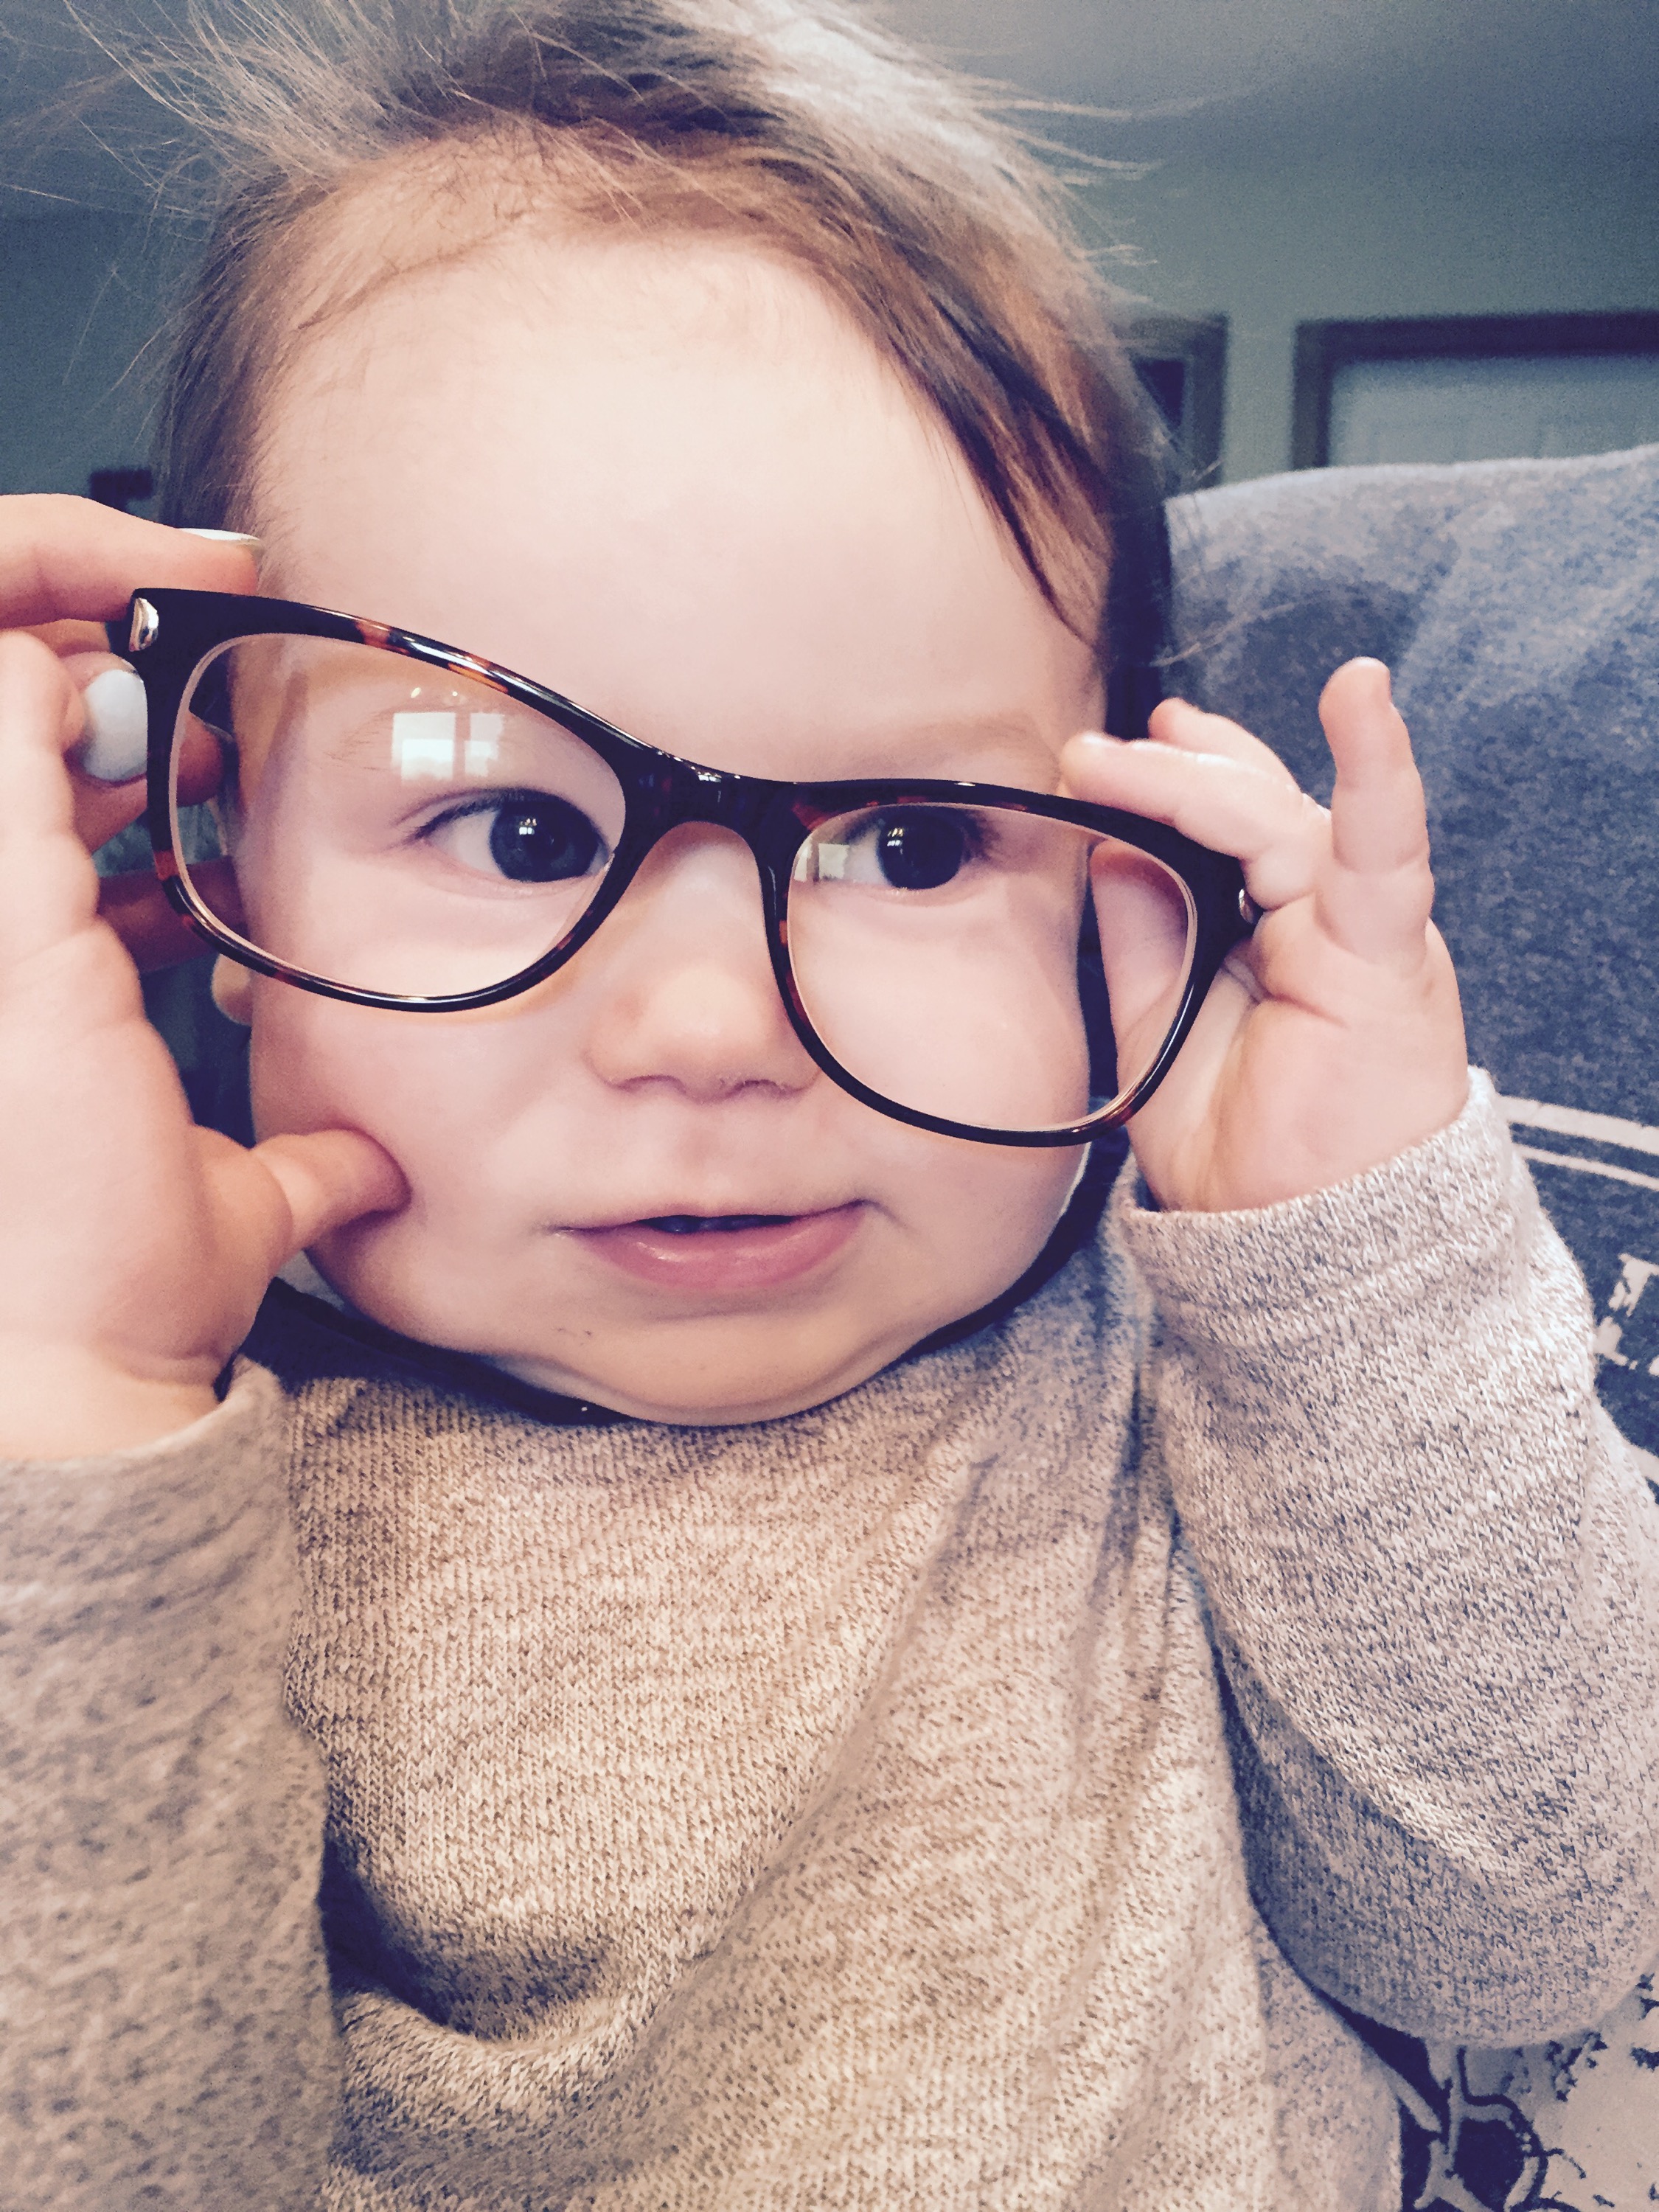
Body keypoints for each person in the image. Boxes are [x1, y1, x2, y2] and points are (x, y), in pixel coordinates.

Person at [1, 4, 1655, 2207]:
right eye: (514, 831)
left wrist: (1343, 1254)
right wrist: (71, 1399)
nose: (710, 1031)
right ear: (209, 851)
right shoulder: (143, 1496)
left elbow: (1521, 1928)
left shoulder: (1186, 1356)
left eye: (910, 842)